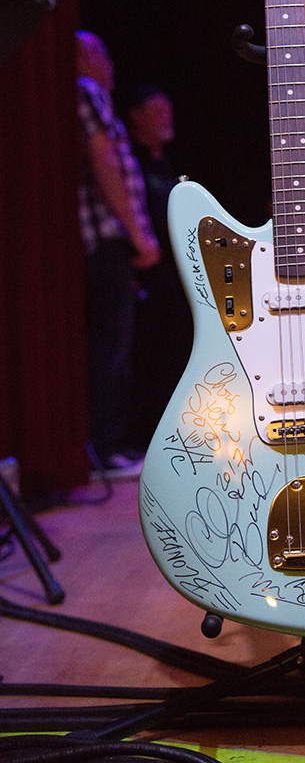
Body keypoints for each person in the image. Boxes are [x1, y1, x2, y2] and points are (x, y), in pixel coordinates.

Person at [77, 31, 160, 476]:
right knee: (109, 345)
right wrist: (137, 235)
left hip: (108, 238)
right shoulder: (86, 92)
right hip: (104, 238)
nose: (107, 64)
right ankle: (105, 448)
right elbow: (103, 162)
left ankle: (110, 443)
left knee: (113, 345)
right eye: (99, 54)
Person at [126, 85, 193, 449]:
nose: (166, 118)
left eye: (168, 111)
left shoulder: (169, 164)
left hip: (177, 276)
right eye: (156, 111)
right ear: (135, 116)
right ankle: (142, 436)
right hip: (145, 274)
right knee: (145, 356)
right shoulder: (130, 162)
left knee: (177, 353)